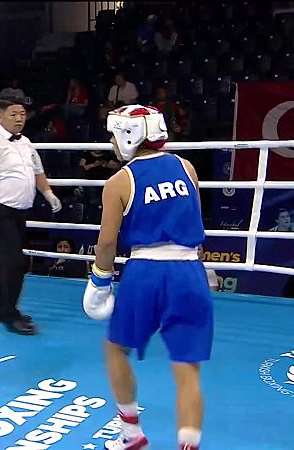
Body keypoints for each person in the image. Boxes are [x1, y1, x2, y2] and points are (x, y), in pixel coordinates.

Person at [82, 105, 211, 450]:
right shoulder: (187, 168)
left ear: (129, 134)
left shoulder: (120, 181)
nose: (111, 140)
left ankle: (131, 434)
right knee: (187, 370)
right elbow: (194, 218)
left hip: (146, 272)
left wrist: (99, 281)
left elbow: (107, 241)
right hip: (189, 271)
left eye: (113, 134)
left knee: (115, 348)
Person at [0, 94, 63, 335]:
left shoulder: (26, 143)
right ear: (0, 116)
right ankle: (10, 314)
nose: (19, 119)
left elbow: (37, 172)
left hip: (21, 211)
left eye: (22, 114)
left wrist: (48, 193)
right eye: (13, 114)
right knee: (14, 262)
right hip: (1, 211)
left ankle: (4, 310)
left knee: (12, 264)